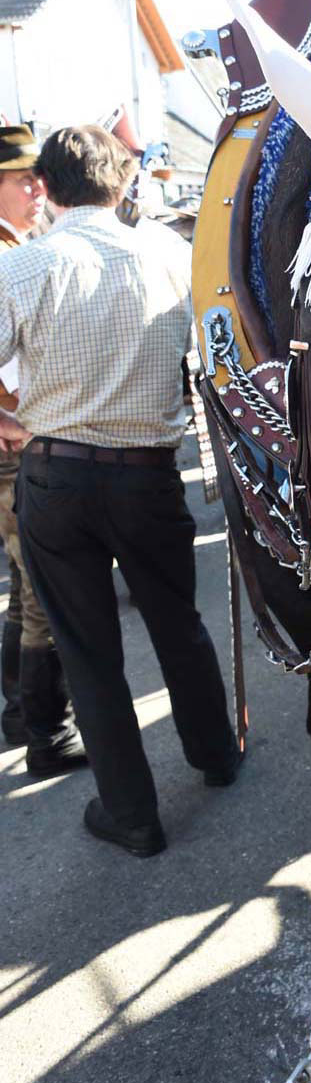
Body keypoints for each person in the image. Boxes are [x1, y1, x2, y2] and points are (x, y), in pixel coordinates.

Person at [0, 124, 239, 858]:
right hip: (146, 471)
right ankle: (215, 752)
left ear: (49, 187)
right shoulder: (170, 252)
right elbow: (216, 357)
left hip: (57, 471)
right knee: (177, 621)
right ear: (122, 180)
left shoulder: (23, 267)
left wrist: (10, 423)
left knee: (88, 648)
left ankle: (132, 813)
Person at [0, 125, 83, 771]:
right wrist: (9, 425)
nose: (35, 189)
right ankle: (46, 734)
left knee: (24, 586)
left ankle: (16, 710)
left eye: (36, 178)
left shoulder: (20, 245)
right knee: (41, 591)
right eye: (20, 179)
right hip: (11, 451)